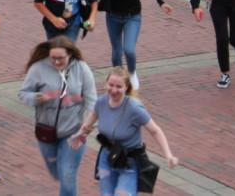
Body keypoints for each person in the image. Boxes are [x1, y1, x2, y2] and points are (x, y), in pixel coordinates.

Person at [69, 67, 179, 196]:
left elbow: (155, 131)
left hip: (129, 161)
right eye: (111, 85)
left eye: (119, 87)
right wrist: (79, 135)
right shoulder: (102, 102)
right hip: (108, 157)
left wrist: (168, 155)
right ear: (106, 83)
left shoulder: (134, 109)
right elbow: (93, 114)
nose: (114, 90)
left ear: (126, 87)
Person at [18, 37, 97, 196]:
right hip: (46, 131)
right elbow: (23, 94)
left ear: (70, 55)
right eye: (53, 58)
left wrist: (87, 127)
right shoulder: (38, 68)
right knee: (57, 173)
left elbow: (91, 100)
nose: (57, 62)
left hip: (74, 131)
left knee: (68, 175)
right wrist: (36, 98)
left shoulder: (81, 68)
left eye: (61, 58)